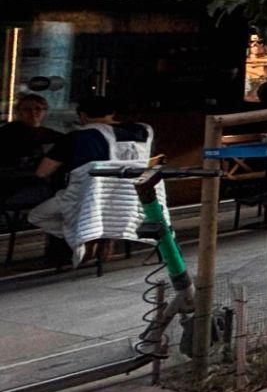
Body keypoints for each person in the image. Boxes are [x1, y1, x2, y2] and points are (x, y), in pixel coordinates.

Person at [29, 93, 153, 266]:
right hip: (129, 201)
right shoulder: (143, 132)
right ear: (112, 113)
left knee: (36, 216)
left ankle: (86, 238)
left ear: (82, 115)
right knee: (96, 210)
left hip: (83, 200)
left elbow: (42, 172)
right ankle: (103, 237)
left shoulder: (77, 137)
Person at [0, 94, 57, 171]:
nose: (33, 112)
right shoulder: (5, 134)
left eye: (38, 109)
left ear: (45, 112)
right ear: (18, 112)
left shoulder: (52, 135)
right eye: (27, 109)